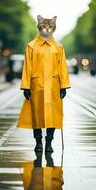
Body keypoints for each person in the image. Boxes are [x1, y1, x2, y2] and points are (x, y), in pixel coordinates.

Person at [17, 15, 71, 153]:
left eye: (50, 27)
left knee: (53, 116)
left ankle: (49, 143)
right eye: (44, 27)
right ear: (39, 27)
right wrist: (26, 86)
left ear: (54, 28)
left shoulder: (59, 47)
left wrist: (64, 85)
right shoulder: (31, 46)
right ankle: (38, 142)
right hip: (37, 86)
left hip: (54, 86)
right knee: (36, 115)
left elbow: (63, 67)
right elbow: (27, 67)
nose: (47, 30)